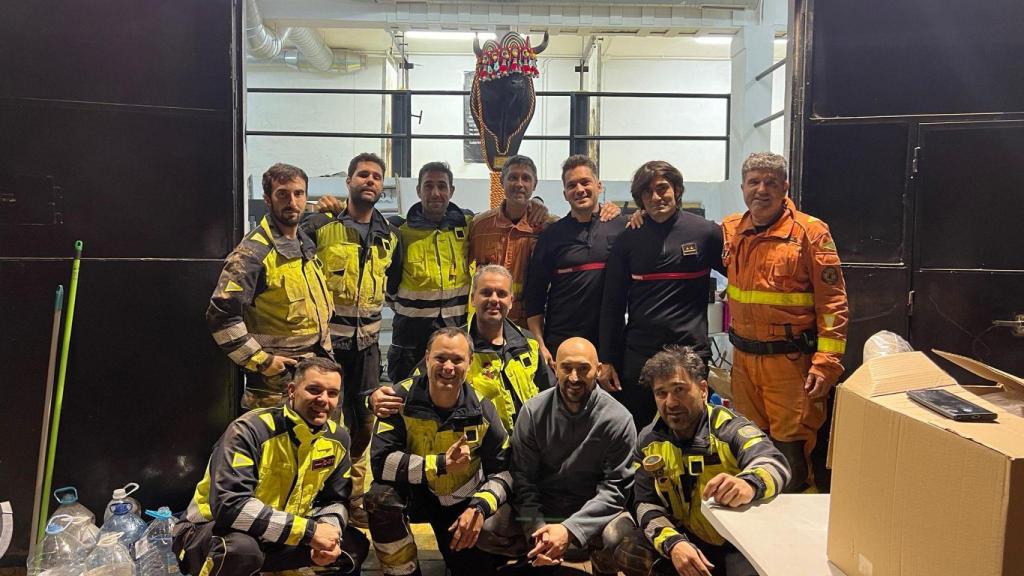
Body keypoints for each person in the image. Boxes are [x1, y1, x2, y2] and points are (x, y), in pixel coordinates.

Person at [721, 152, 848, 492]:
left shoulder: (810, 232)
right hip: (744, 364)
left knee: (790, 455)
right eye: (754, 182)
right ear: (742, 187)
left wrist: (826, 364)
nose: (761, 190)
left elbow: (833, 303)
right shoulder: (732, 230)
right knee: (749, 446)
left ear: (784, 187)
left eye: (771, 183)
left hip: (790, 367)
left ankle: (793, 540)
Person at [173, 357, 369, 576]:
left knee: (352, 547)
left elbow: (334, 499)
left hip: (277, 533)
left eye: (332, 393)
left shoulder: (338, 438)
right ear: (292, 390)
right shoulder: (249, 430)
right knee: (241, 551)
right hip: (210, 532)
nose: (323, 399)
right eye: (314, 390)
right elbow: (230, 506)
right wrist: (309, 532)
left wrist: (329, 534)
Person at [614, 346, 791, 576]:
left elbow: (776, 464)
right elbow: (646, 503)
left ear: (703, 390)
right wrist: (674, 544)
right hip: (687, 539)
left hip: (736, 546)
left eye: (679, 389)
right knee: (629, 549)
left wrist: (749, 484)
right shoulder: (648, 442)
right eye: (661, 393)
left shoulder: (730, 429)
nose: (671, 403)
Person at [302, 152, 403, 525]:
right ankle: (315, 497)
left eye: (376, 176)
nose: (370, 181)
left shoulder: (389, 235)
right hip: (326, 349)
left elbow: (392, 285)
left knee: (364, 425)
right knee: (320, 420)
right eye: (363, 175)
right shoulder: (319, 226)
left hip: (368, 350)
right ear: (348, 182)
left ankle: (353, 498)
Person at [365, 327, 511, 576]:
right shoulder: (398, 399)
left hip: (459, 501)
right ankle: (404, 572)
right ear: (426, 358)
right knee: (380, 499)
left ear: (470, 362)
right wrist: (440, 464)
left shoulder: (483, 409)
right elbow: (382, 463)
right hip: (415, 496)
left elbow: (504, 470)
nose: (448, 367)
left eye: (457, 360)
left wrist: (479, 507)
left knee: (472, 568)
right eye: (440, 358)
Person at [487, 337, 635, 574]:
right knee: (488, 527)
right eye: (566, 368)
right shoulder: (533, 412)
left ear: (598, 370)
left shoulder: (619, 419)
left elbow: (615, 490)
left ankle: (601, 564)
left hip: (593, 510)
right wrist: (538, 531)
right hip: (545, 507)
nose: (574, 377)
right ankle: (534, 555)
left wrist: (570, 529)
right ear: (554, 368)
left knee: (622, 538)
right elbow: (523, 479)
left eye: (583, 369)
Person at [599, 161, 724, 427]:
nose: (656, 197)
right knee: (639, 432)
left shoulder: (706, 233)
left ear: (677, 189)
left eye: (662, 188)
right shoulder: (628, 238)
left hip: (691, 352)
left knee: (693, 430)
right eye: (647, 193)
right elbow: (612, 303)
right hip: (640, 356)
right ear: (640, 199)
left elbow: (742, 276)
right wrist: (608, 359)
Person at [371, 264, 554, 435]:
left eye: (501, 294)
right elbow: (414, 385)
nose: (494, 300)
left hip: (527, 450)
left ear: (511, 301)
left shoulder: (529, 344)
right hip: (474, 454)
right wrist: (375, 398)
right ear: (473, 298)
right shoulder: (454, 346)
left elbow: (552, 397)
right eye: (486, 293)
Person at [207, 163, 333, 409]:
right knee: (271, 445)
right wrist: (261, 361)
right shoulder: (253, 254)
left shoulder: (304, 245)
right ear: (268, 199)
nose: (292, 202)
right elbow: (220, 316)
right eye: (282, 194)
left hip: (314, 374)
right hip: (273, 387)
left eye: (298, 194)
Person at [470, 155, 620, 327]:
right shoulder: (479, 227)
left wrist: (612, 211)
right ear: (501, 181)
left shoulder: (548, 227)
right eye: (513, 177)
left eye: (526, 178)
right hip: (486, 320)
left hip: (528, 324)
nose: (519, 184)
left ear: (535, 185)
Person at [525, 155, 627, 368]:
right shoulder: (551, 236)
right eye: (572, 185)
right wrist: (540, 345)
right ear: (565, 194)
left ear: (599, 186)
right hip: (561, 344)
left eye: (585, 182)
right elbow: (534, 297)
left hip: (609, 346)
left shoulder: (622, 228)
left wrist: (638, 215)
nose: (579, 189)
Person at [385, 161, 474, 382]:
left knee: (451, 390)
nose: (436, 193)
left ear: (451, 191)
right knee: (404, 396)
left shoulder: (469, 225)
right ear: (418, 190)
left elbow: (501, 217)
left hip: (455, 330)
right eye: (428, 186)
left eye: (442, 186)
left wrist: (537, 207)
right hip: (410, 336)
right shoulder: (399, 230)